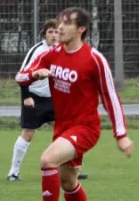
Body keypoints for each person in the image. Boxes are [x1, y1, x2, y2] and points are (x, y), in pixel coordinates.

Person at [15, 7, 133, 201]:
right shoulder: (52, 53)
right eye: (59, 22)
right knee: (68, 182)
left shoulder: (93, 59)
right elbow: (20, 76)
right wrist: (34, 75)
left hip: (86, 128)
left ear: (81, 29)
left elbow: (111, 97)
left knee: (47, 160)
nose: (60, 27)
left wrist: (121, 135)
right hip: (63, 127)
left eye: (67, 23)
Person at [8, 19, 88, 182]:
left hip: (56, 98)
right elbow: (22, 75)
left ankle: (71, 169)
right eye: (50, 32)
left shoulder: (65, 50)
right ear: (44, 34)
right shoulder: (38, 51)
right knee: (28, 133)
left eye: (56, 32)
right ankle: (13, 172)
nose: (54, 35)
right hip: (35, 98)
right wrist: (26, 96)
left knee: (72, 130)